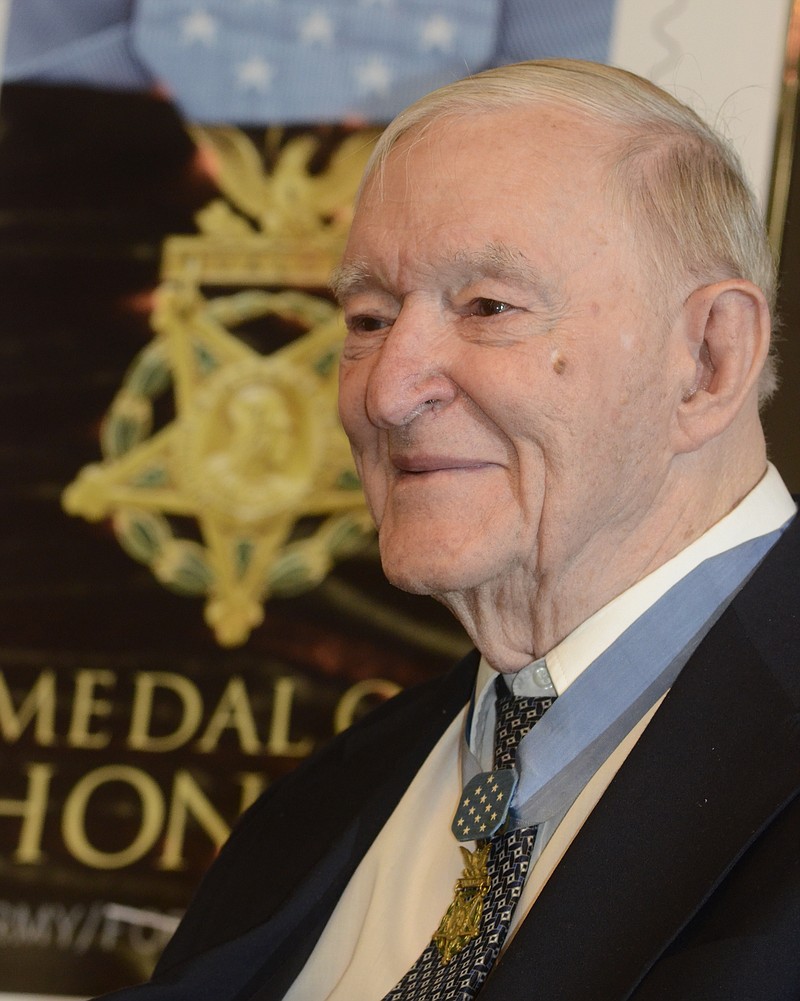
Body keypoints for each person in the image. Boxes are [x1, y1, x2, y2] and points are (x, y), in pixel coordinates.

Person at [101, 59, 800, 1001]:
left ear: (709, 361)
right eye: (367, 316)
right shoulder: (322, 802)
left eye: (487, 308)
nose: (387, 391)